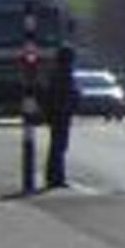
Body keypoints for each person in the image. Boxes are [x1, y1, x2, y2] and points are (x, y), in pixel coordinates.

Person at [42, 45, 79, 188]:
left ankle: (54, 176)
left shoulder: (57, 73)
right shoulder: (63, 74)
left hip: (58, 113)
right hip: (60, 113)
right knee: (59, 146)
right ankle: (56, 177)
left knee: (57, 145)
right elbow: (64, 94)